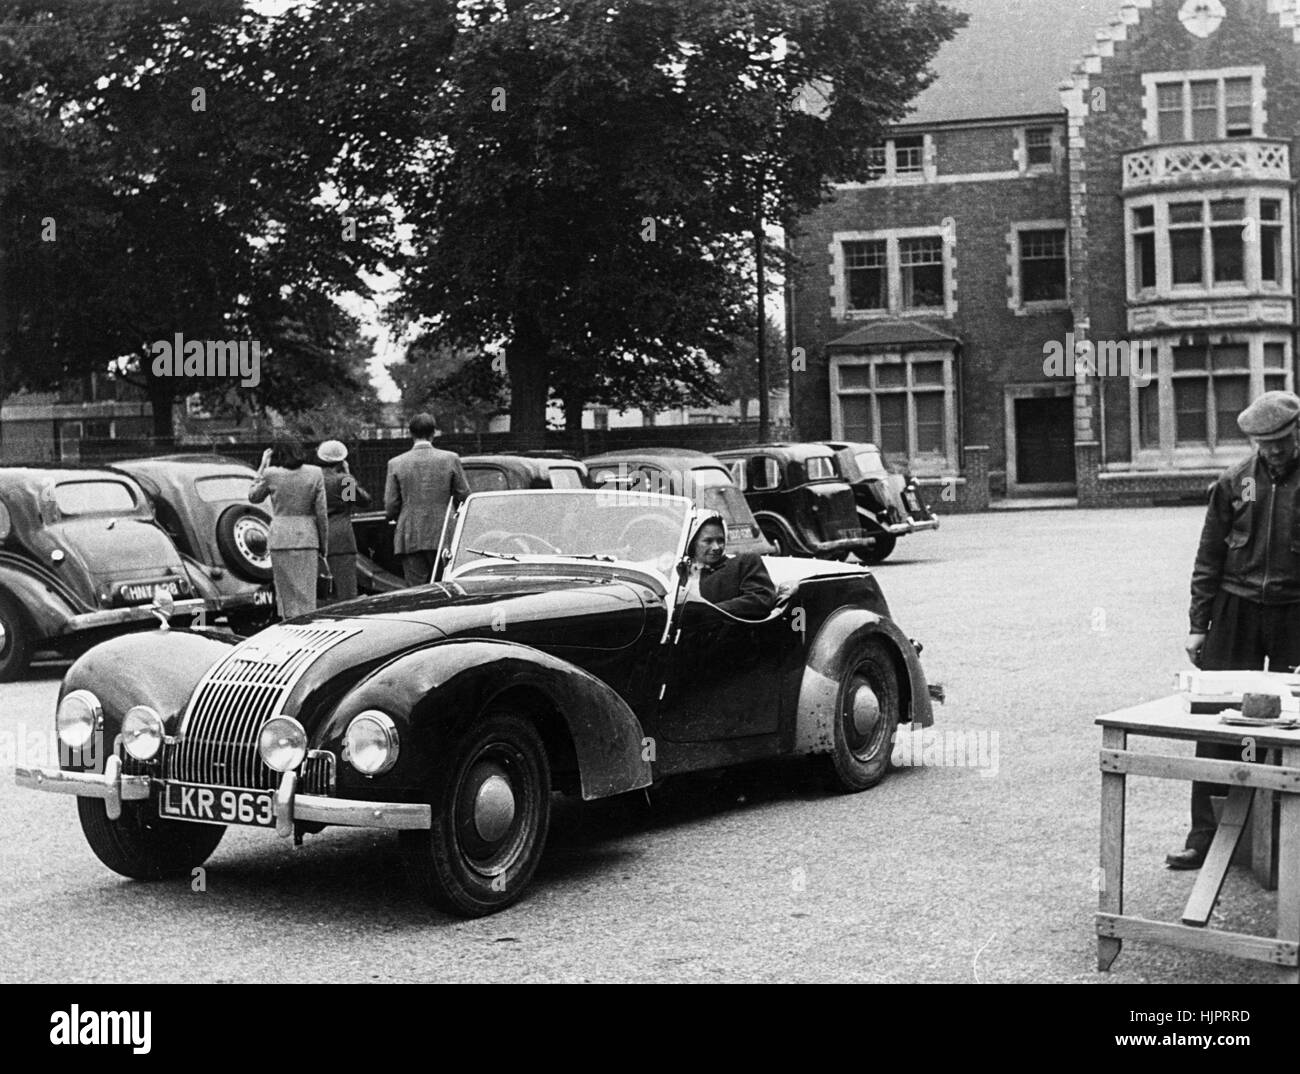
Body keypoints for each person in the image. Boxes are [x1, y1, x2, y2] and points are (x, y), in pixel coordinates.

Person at [1170, 389, 1300, 870]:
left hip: (1294, 612)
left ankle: (1287, 837)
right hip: (1237, 607)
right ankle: (1206, 836)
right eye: (1265, 445)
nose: (1275, 452)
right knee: (1218, 721)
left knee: (1295, 722)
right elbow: (1209, 557)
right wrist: (1198, 625)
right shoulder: (1233, 482)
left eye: (1282, 442)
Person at [383, 412, 470, 586]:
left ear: (410, 433)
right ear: (434, 433)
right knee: (445, 586)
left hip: (410, 533)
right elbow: (464, 495)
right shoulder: (450, 459)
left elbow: (390, 505)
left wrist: (393, 516)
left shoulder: (396, 463)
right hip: (443, 530)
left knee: (416, 590)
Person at [249, 437, 329, 620]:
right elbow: (322, 513)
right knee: (307, 594)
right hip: (308, 537)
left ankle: (289, 625)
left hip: (280, 538)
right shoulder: (317, 473)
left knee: (285, 595)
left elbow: (253, 496)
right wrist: (324, 545)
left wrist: (262, 465)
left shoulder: (271, 474)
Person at [680, 513, 777, 619]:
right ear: (693, 543)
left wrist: (709, 611)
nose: (716, 547)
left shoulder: (742, 563)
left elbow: (761, 599)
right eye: (708, 541)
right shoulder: (678, 572)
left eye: (720, 540)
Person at [317, 439, 371, 602]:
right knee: (346, 590)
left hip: (317, 536)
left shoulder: (313, 478)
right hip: (341, 537)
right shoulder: (343, 480)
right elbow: (363, 501)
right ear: (341, 460)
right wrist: (349, 475)